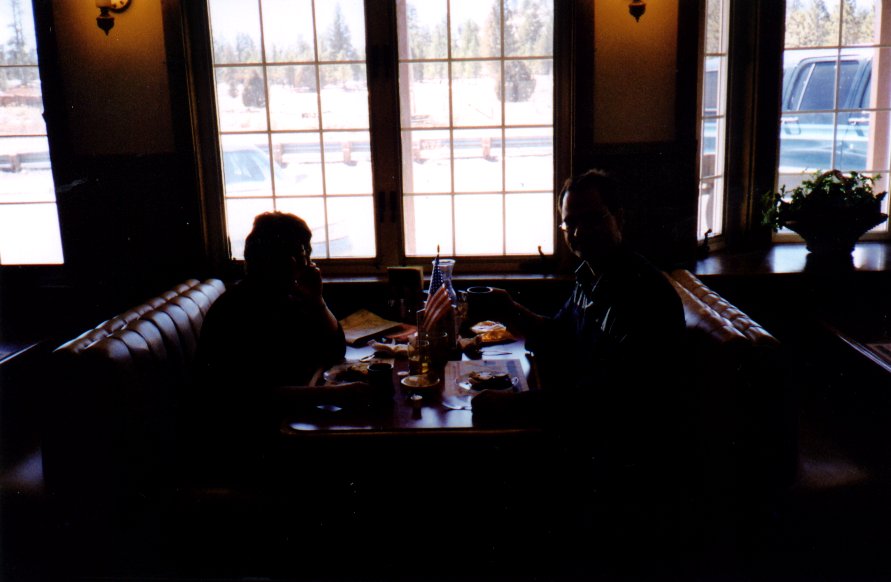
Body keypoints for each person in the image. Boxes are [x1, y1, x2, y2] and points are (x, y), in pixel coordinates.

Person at [471, 169, 689, 566]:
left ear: (619, 218)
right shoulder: (591, 276)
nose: (579, 232)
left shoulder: (643, 294)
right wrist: (508, 309)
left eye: (592, 219)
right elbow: (560, 338)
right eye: (570, 223)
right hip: (591, 431)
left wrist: (513, 404)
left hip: (622, 459)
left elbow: (605, 400)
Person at [188, 212, 378, 482]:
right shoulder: (237, 310)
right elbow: (253, 397)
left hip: (281, 424)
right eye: (301, 256)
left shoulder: (283, 297)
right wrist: (334, 395)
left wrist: (318, 301)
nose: (307, 264)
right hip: (243, 444)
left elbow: (335, 349)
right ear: (275, 260)